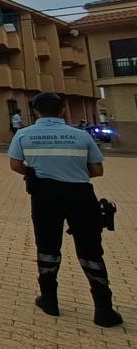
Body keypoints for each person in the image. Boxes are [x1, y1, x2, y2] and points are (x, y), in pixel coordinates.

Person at [8, 92, 123, 328]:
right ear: (62, 111)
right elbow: (97, 169)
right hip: (80, 195)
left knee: (48, 246)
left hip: (44, 195)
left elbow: (15, 165)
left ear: (35, 111)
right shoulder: (80, 135)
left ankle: (49, 300)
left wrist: (37, 175)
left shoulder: (24, 134)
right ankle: (104, 308)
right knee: (90, 248)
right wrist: (72, 174)